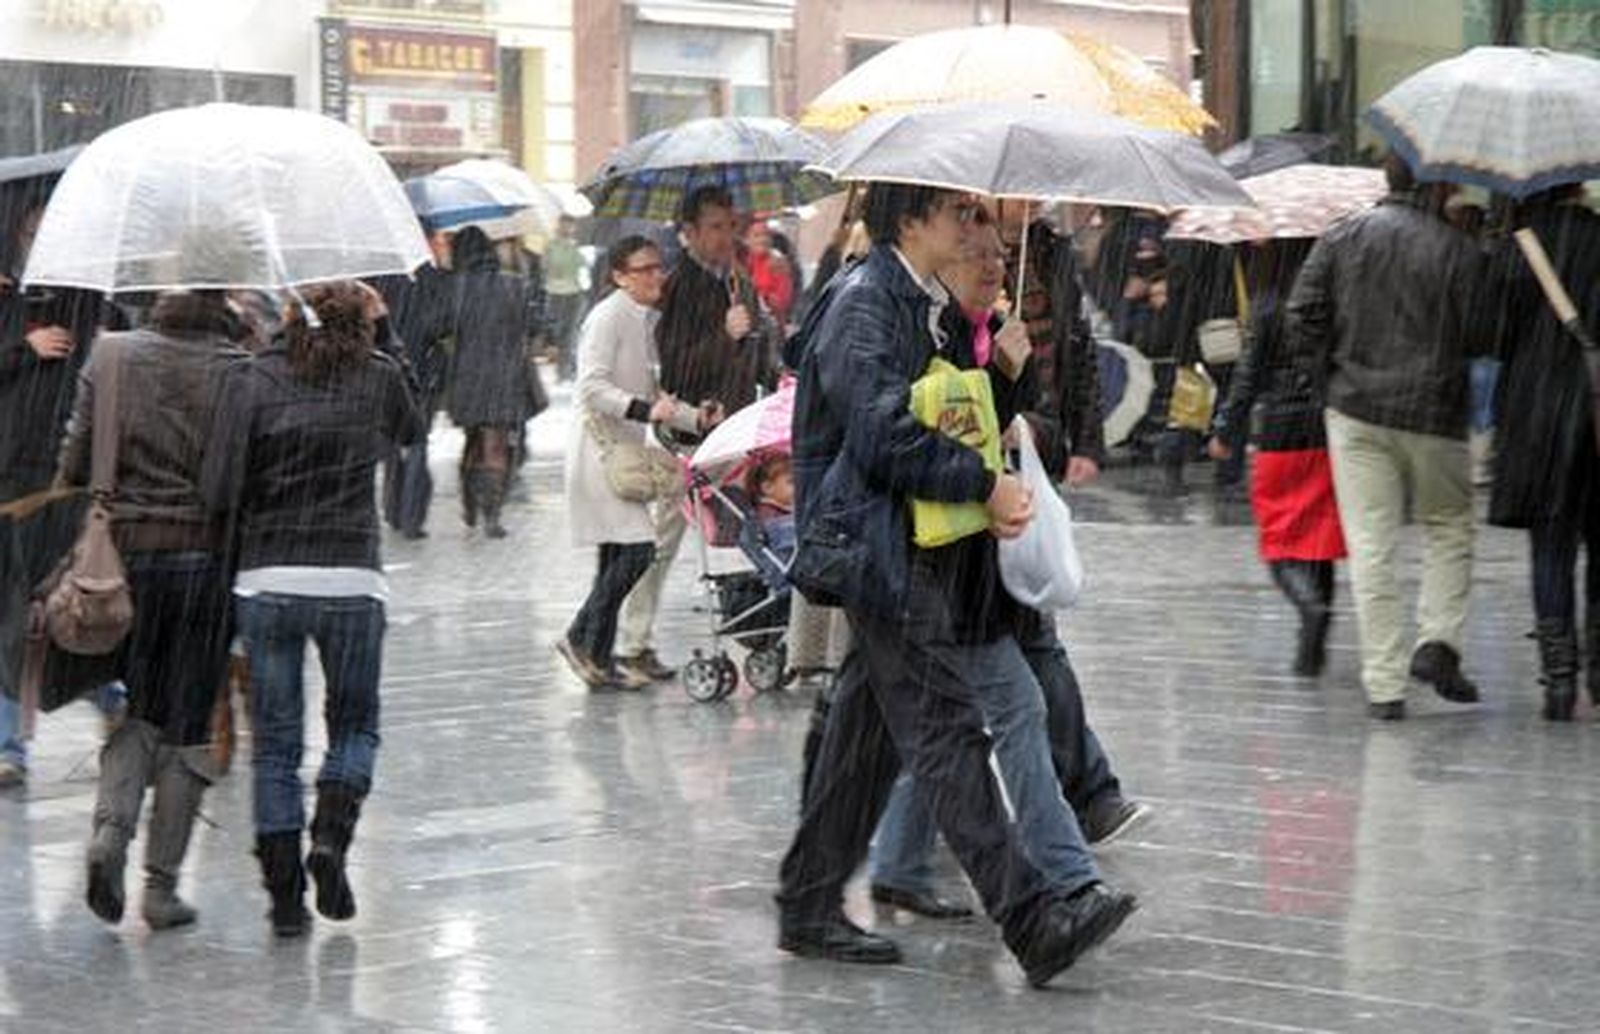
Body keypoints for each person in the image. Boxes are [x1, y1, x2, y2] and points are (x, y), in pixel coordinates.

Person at [777, 182, 1136, 987]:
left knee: (864, 748)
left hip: (900, 544)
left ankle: (805, 904)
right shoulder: (867, 303)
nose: (976, 228)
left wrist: (1004, 377)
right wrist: (980, 483)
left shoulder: (916, 300)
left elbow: (946, 411)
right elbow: (884, 434)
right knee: (946, 735)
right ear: (911, 222)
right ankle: (1035, 919)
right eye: (959, 213)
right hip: (878, 546)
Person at [865, 217, 1137, 920]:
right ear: (937, 252)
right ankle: (1068, 879)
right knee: (1011, 706)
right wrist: (994, 428)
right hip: (941, 555)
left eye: (999, 256)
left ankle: (893, 861)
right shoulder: (916, 324)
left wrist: (1012, 384)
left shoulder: (977, 326)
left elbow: (1016, 422)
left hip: (978, 551)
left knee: (949, 719)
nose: (993, 269)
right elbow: (922, 436)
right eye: (978, 256)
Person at [203, 281, 423, 937]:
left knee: (275, 746)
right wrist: (386, 334)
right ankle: (330, 836)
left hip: (268, 580)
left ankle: (286, 902)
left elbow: (218, 485)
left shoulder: (253, 378)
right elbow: (413, 431)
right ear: (361, 324)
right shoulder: (377, 375)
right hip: (352, 580)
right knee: (354, 726)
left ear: (287, 321)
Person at [56, 290, 247, 929]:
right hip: (205, 563)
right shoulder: (236, 365)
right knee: (190, 722)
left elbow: (77, 464)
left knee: (139, 707)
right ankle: (161, 889)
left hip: (122, 568)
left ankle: (110, 833)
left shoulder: (110, 354)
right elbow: (240, 479)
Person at [1285, 156, 1490, 721]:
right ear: (1440, 185)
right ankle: (1437, 641)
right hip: (1435, 411)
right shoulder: (1459, 250)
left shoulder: (1344, 235)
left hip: (1355, 410)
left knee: (1371, 543)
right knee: (1449, 526)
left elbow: (1301, 313)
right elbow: (1483, 333)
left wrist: (1328, 377)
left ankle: (1384, 685)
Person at [610, 187, 759, 685]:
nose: (726, 235)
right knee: (666, 538)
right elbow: (676, 365)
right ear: (690, 233)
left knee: (747, 524)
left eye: (730, 224)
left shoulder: (738, 280)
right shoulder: (680, 288)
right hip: (690, 430)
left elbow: (751, 352)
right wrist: (725, 334)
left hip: (734, 425)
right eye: (714, 226)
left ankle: (757, 625)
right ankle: (633, 641)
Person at [558, 237, 706, 691]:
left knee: (616, 553)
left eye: (658, 267)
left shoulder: (639, 318)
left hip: (619, 451)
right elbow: (591, 388)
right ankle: (579, 636)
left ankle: (599, 659)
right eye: (644, 269)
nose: (655, 276)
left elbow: (654, 396)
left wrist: (694, 418)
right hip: (601, 454)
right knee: (638, 548)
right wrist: (645, 411)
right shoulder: (609, 316)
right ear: (619, 276)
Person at [1486, 184, 1600, 720]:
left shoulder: (1519, 248)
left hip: (1538, 414)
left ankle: (1559, 680)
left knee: (1549, 546)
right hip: (1595, 410)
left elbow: (1491, 333)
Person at [1210, 239, 1345, 676]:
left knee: (1280, 540)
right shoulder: (1330, 300)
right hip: (1324, 428)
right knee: (1318, 537)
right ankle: (1315, 639)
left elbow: (1248, 377)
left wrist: (1225, 428)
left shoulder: (1268, 307)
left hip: (1279, 432)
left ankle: (1309, 606)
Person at [447, 226, 543, 539]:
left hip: (468, 375)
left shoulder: (454, 288)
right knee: (497, 446)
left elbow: (440, 328)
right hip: (506, 374)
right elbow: (533, 326)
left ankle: (469, 506)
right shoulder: (516, 286)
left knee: (473, 442)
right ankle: (493, 514)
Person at [544, 214, 588, 381]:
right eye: (564, 225)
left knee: (571, 332)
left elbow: (583, 268)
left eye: (570, 225)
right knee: (557, 331)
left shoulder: (578, 247)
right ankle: (563, 368)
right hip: (554, 292)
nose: (567, 229)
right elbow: (546, 267)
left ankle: (566, 371)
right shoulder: (551, 246)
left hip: (574, 293)